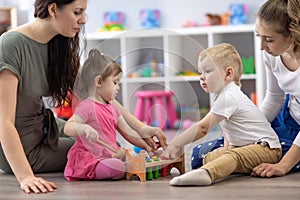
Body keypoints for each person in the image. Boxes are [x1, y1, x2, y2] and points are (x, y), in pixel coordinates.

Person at [0, 0, 166, 194]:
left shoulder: (58, 44)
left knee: (110, 145)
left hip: (45, 127)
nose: (84, 20)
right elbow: (4, 122)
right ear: (53, 9)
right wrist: (26, 177)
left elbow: (98, 96)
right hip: (20, 146)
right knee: (106, 153)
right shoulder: (10, 45)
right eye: (77, 12)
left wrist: (140, 128)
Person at [191, 0, 300, 178]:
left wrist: (283, 165)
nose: (261, 47)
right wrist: (244, 132)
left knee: (271, 156)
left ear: (293, 35)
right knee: (199, 156)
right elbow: (274, 98)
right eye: (259, 36)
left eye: (269, 39)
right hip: (286, 117)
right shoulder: (271, 55)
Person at [162, 43, 282, 186]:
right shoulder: (224, 95)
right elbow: (228, 130)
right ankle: (219, 166)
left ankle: (207, 174)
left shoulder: (229, 96)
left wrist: (175, 144)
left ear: (228, 73)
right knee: (208, 157)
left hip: (266, 149)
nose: (202, 77)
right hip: (243, 146)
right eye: (200, 72)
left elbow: (203, 128)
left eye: (207, 71)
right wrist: (226, 148)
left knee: (232, 156)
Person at [64, 49, 152, 181]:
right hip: (90, 160)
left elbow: (128, 132)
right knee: (117, 167)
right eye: (115, 82)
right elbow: (68, 127)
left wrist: (147, 147)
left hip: (108, 156)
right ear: (99, 82)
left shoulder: (112, 107)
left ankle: (121, 164)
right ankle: (121, 166)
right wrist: (84, 128)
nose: (118, 87)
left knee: (127, 156)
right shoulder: (87, 106)